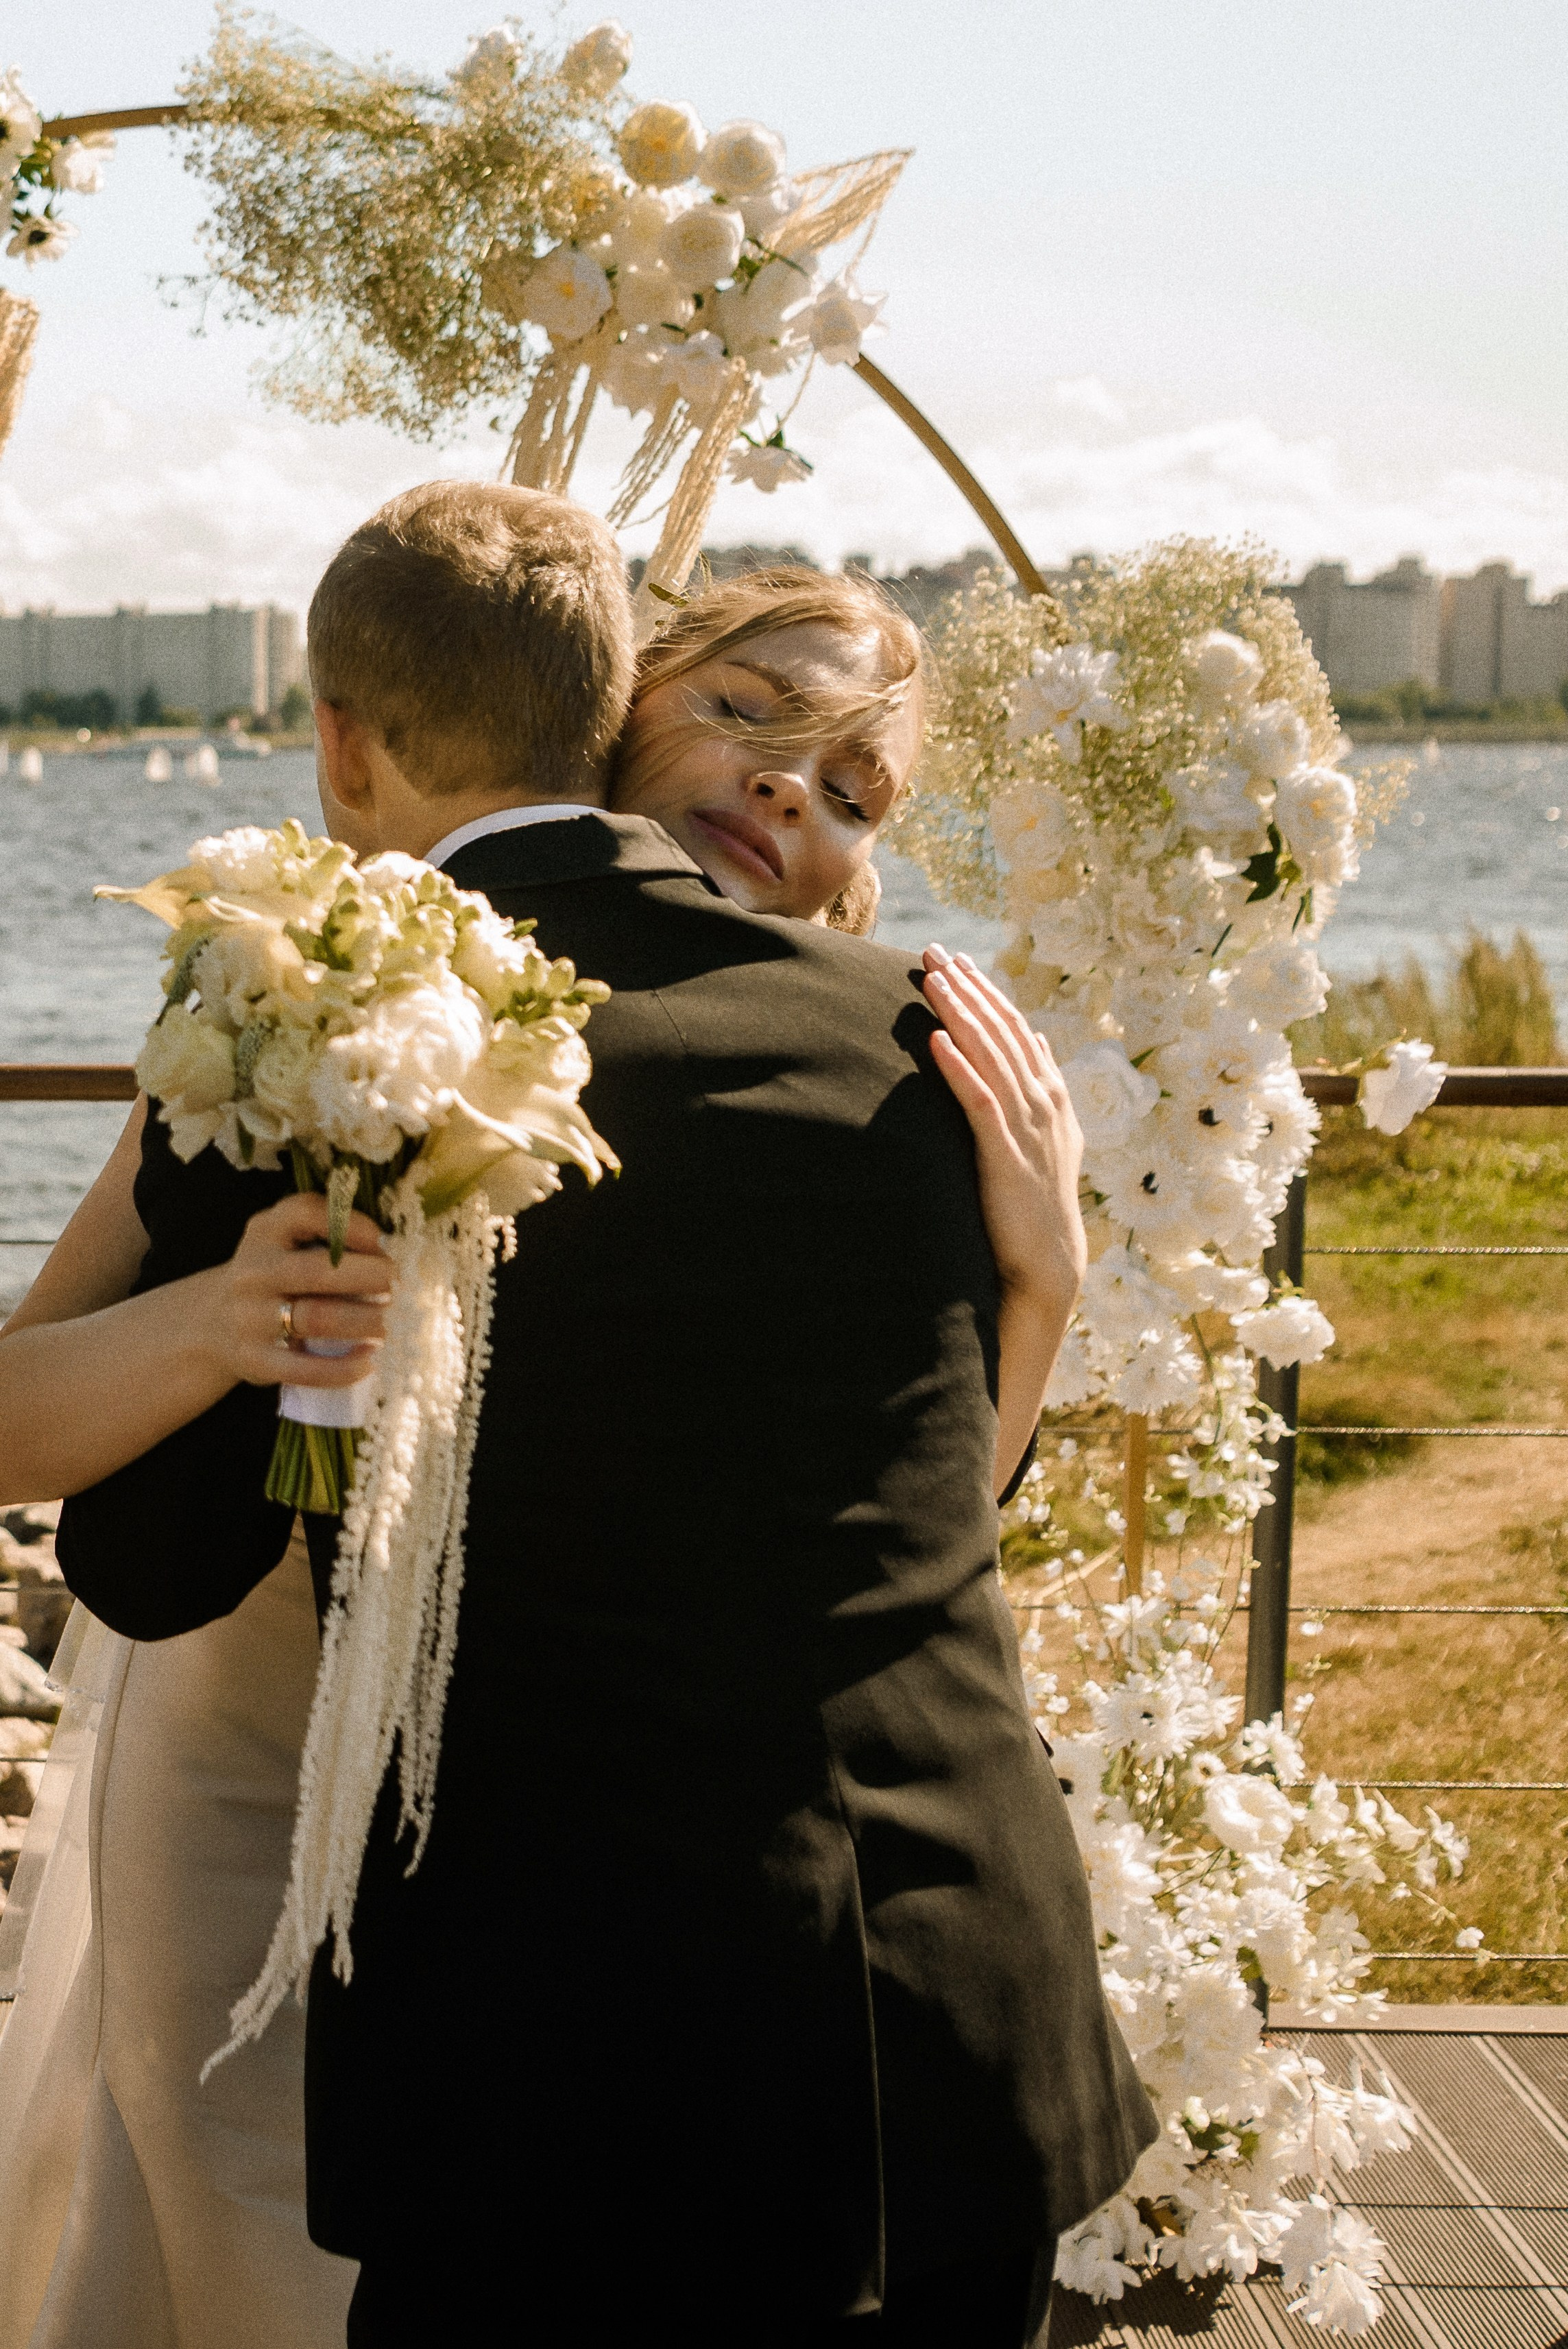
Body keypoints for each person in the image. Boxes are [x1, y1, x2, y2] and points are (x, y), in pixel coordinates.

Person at [1, 482, 1155, 2345]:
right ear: (620, 695)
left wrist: (1051, 1272)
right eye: (752, 719)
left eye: (849, 788)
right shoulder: (892, 1052)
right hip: (920, 2040)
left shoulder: (347, 1042)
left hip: (597, 2066)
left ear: (343, 743)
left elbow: (150, 1551)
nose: (789, 790)